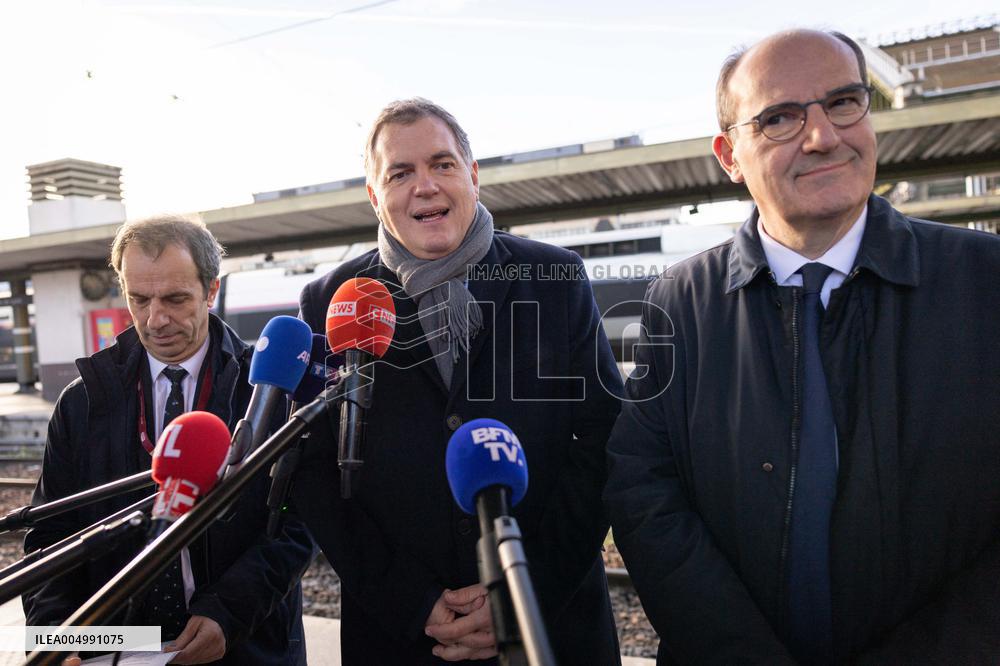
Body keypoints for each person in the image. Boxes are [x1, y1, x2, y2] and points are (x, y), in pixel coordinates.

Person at [605, 29, 1000, 665]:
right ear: (729, 156)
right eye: (781, 118)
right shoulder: (677, 303)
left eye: (844, 102)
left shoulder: (985, 283)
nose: (822, 136)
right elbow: (643, 494)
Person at [292, 98, 624, 664]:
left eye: (442, 165)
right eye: (400, 173)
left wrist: (528, 588)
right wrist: (410, 600)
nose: (424, 186)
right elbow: (312, 469)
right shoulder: (329, 301)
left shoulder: (555, 279)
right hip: (402, 637)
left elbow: (604, 445)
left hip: (551, 625)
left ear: (472, 176)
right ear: (376, 196)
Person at [24, 215, 315, 665]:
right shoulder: (82, 402)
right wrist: (55, 641)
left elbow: (300, 525)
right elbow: (51, 535)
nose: (155, 319)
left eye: (175, 299)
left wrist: (228, 613)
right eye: (138, 299)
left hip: (244, 646)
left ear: (211, 290)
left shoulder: (272, 392)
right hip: (115, 649)